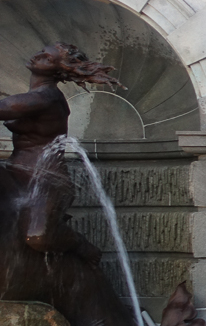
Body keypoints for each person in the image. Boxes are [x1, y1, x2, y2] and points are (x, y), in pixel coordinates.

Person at [0, 43, 120, 266]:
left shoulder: (46, 98)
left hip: (47, 180)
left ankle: (81, 245)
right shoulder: (33, 95)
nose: (37, 56)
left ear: (58, 69)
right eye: (41, 52)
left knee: (38, 237)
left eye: (46, 58)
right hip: (15, 172)